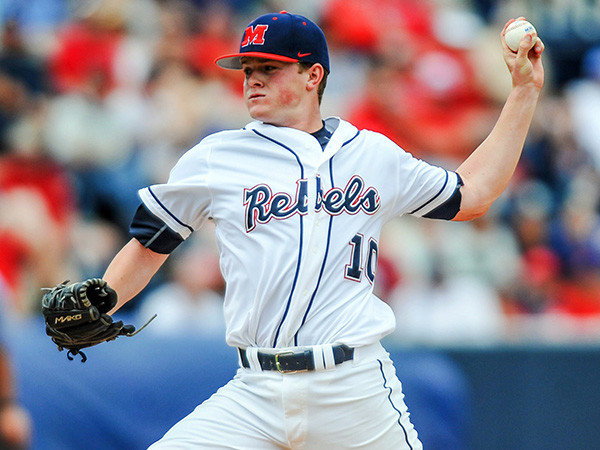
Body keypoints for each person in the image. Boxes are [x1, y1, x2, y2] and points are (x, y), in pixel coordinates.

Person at [100, 11, 544, 449]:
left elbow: (473, 195)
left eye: (269, 69)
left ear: (313, 75)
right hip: (256, 390)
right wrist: (102, 299)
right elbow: (149, 243)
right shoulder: (217, 157)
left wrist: (524, 91)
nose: (252, 79)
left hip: (353, 387)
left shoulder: (371, 154)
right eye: (248, 69)